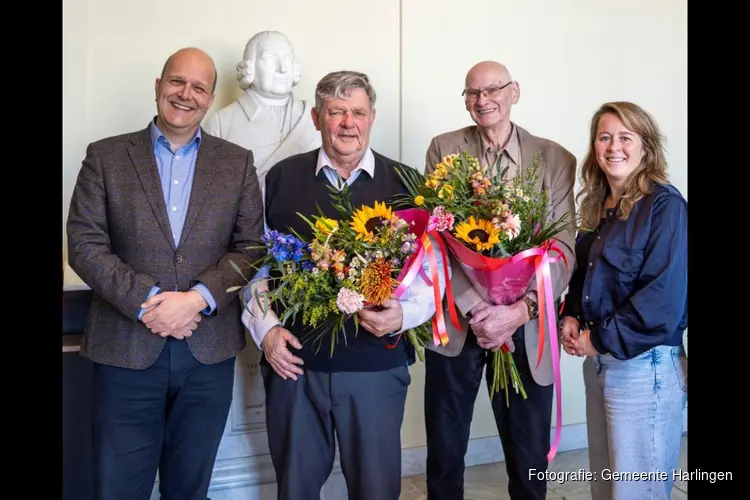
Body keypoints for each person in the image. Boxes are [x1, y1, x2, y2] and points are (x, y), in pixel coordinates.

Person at [66, 47, 265, 500]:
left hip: (207, 352)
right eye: (177, 82)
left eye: (198, 87)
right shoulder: (106, 156)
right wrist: (149, 301)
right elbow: (83, 242)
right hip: (125, 347)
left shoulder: (236, 162)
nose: (185, 94)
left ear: (211, 98)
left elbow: (251, 245)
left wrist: (197, 299)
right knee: (118, 487)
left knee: (189, 486)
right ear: (158, 87)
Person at [246, 70, 448, 500]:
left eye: (357, 112)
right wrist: (267, 333)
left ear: (372, 116)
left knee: (375, 490)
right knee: (295, 489)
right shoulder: (278, 179)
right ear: (317, 117)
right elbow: (253, 268)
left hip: (375, 366)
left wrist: (404, 315)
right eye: (336, 112)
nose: (347, 123)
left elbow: (430, 277)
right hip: (295, 365)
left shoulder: (407, 183)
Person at [422, 60, 577, 500]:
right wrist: (478, 307)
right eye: (472, 93)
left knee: (529, 460)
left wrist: (516, 310)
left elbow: (562, 245)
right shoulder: (443, 148)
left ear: (515, 92)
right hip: (458, 323)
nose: (482, 100)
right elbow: (439, 237)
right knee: (445, 454)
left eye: (492, 89)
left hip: (526, 328)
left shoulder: (556, 158)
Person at [559, 101, 687, 500]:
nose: (614, 146)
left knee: (637, 492)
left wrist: (596, 341)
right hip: (600, 364)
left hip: (643, 368)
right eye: (605, 137)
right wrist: (571, 315)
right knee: (607, 488)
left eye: (626, 137)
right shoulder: (600, 208)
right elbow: (587, 277)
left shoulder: (665, 207)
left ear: (645, 147)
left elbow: (661, 303)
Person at [203, 30, 321, 199]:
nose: (282, 68)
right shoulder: (220, 123)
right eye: (271, 58)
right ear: (249, 67)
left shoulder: (315, 118)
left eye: (287, 59)